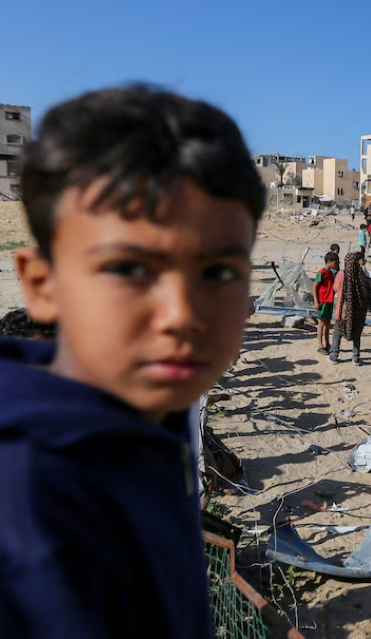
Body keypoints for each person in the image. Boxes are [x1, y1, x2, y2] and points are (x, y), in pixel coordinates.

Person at [1, 85, 265, 639]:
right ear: (42, 285)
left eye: (218, 272)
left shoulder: (141, 427)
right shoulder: (36, 512)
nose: (180, 315)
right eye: (129, 269)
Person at [329, 252, 370, 365]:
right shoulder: (361, 275)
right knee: (356, 334)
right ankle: (356, 358)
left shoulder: (341, 274)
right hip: (358, 311)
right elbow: (367, 292)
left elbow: (335, 288)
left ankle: (334, 355)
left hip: (343, 310)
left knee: (337, 332)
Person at [313, 252, 339, 354]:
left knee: (328, 324)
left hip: (329, 301)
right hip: (323, 301)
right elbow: (315, 287)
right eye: (335, 263)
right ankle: (320, 345)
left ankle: (327, 344)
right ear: (330, 262)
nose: (336, 265)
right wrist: (316, 301)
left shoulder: (330, 274)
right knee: (321, 323)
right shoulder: (321, 273)